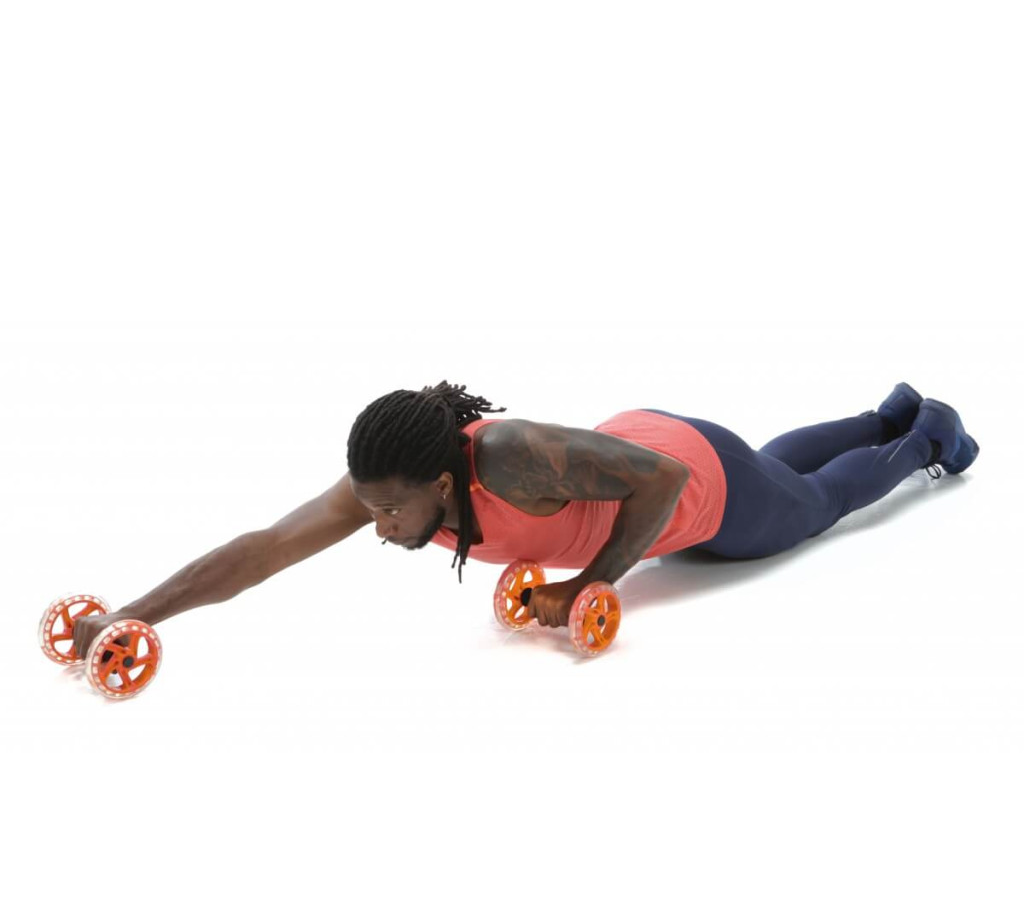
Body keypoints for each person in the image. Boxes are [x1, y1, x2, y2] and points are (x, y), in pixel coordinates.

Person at [70, 379, 980, 654]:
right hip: (635, 447)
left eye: (390, 510)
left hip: (691, 485)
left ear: (440, 479)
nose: (378, 526)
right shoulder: (389, 478)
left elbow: (662, 481)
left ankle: (925, 437)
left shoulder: (507, 456)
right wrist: (134, 612)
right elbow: (264, 551)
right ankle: (885, 412)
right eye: (372, 508)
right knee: (775, 465)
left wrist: (590, 582)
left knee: (811, 504)